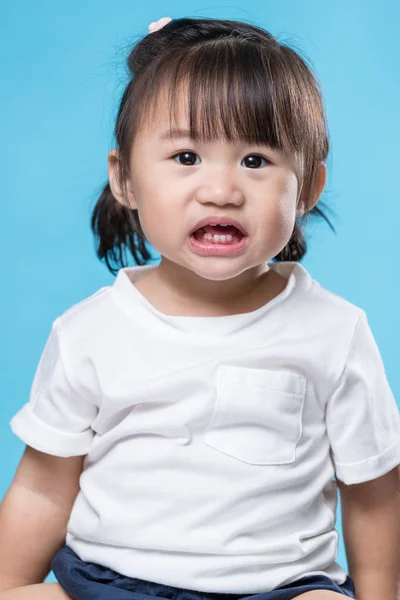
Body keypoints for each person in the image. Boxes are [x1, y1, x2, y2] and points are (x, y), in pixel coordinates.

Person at [1, 15, 400, 600]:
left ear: (308, 189)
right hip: (109, 583)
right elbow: (43, 484)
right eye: (186, 157)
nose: (221, 190)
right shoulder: (91, 330)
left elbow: (373, 491)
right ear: (125, 180)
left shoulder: (333, 332)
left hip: (277, 588)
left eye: (256, 160)